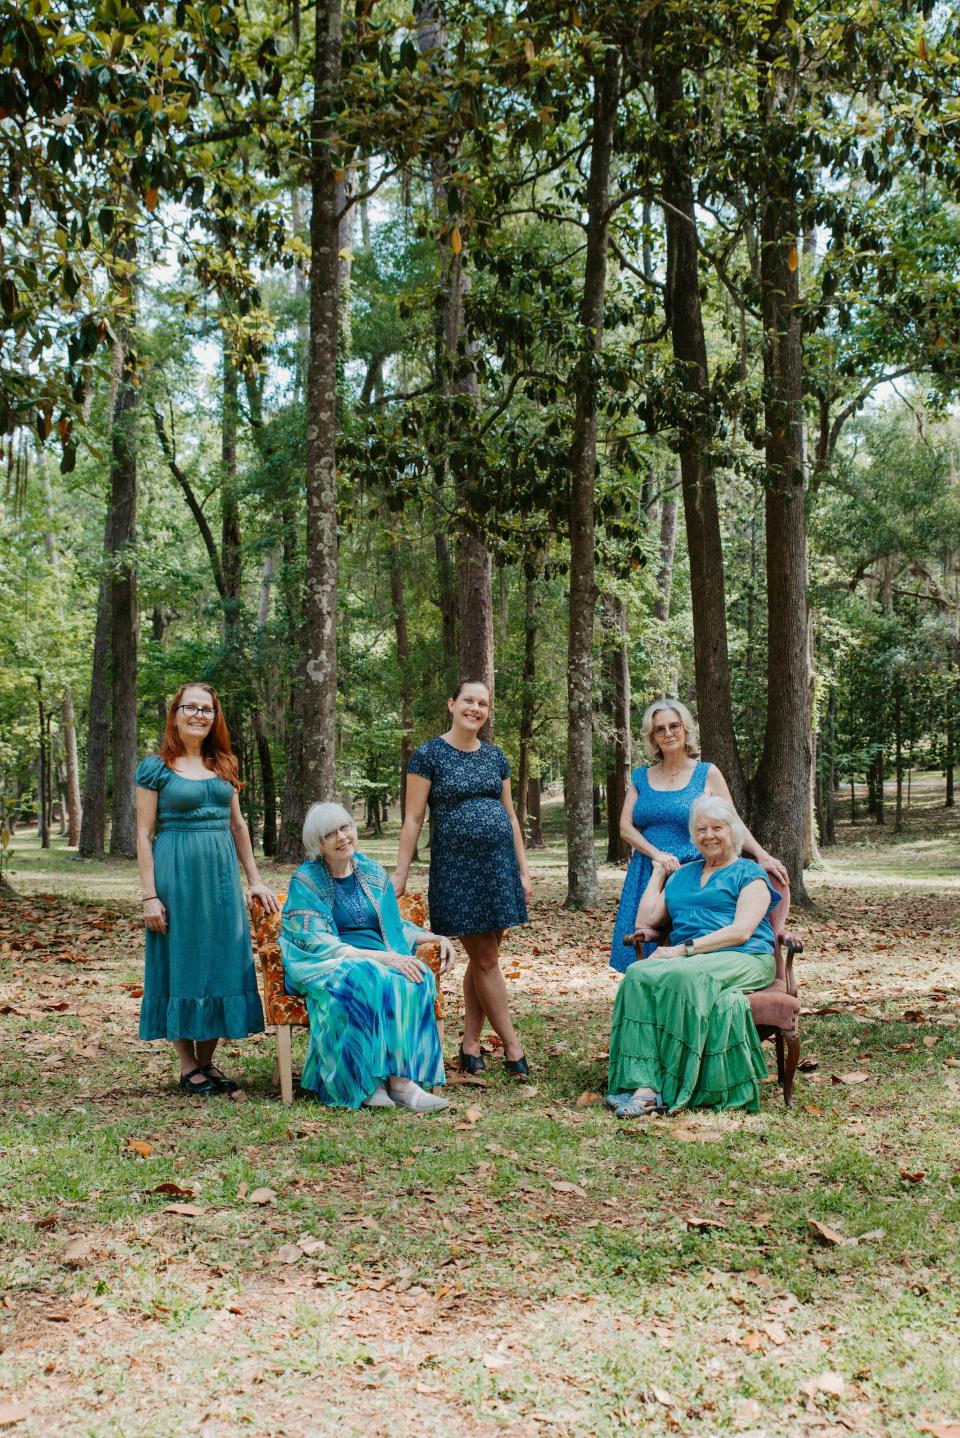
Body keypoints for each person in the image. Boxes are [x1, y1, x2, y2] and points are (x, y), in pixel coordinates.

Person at [135, 682, 278, 1096]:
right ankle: (186, 1065)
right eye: (190, 707)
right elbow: (144, 835)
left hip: (220, 880)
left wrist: (254, 880)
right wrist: (149, 895)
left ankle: (207, 1061)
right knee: (178, 960)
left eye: (207, 709)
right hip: (175, 875)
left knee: (221, 958)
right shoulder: (155, 766)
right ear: (175, 714)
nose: (199, 715)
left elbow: (237, 825)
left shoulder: (225, 763)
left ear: (215, 717)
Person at [607, 794, 781, 1118]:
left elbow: (741, 931)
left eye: (717, 827)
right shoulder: (683, 875)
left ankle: (676, 1082)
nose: (709, 835)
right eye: (701, 829)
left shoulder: (749, 874)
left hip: (745, 957)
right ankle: (643, 1085)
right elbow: (645, 922)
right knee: (638, 973)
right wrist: (659, 874)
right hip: (692, 959)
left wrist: (683, 949)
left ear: (734, 832)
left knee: (685, 974)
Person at [392, 679, 532, 1076]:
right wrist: (400, 874)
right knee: (486, 960)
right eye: (468, 701)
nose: (475, 708)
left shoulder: (495, 757)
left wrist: (522, 871)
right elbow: (414, 818)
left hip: (498, 868)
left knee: (484, 959)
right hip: (458, 871)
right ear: (452, 704)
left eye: (483, 704)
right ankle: (513, 1047)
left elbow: (509, 816)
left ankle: (470, 1046)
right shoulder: (428, 755)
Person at [280, 802, 456, 1112]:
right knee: (367, 976)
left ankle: (402, 1082)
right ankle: (364, 1081)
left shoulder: (373, 873)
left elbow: (394, 925)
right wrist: (382, 959)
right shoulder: (305, 881)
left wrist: (437, 937)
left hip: (380, 958)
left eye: (345, 827)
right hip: (331, 964)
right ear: (318, 845)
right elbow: (314, 940)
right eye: (330, 834)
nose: (342, 837)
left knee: (417, 977)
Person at [609, 699, 787, 972]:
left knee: (689, 943)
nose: (668, 733)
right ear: (652, 737)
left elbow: (732, 819)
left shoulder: (707, 773)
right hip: (650, 869)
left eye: (674, 726)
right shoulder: (640, 777)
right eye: (660, 729)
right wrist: (657, 856)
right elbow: (625, 827)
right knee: (642, 942)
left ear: (685, 729)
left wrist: (760, 855)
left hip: (694, 872)